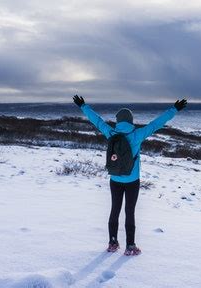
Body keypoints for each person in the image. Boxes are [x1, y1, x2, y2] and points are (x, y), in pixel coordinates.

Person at [72, 95, 187, 255]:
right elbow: (156, 124)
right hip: (132, 181)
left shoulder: (111, 133)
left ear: (118, 121)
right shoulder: (137, 135)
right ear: (131, 120)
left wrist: (83, 106)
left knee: (115, 210)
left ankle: (113, 243)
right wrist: (174, 109)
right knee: (129, 211)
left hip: (115, 179)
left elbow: (97, 121)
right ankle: (130, 246)